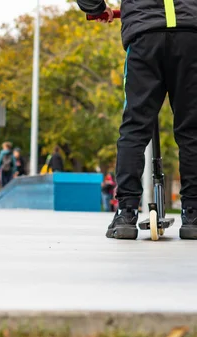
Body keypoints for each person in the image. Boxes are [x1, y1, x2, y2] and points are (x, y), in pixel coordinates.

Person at [78, 0, 197, 240]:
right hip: (189, 35)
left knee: (134, 127)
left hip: (145, 35)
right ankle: (193, 214)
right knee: (192, 130)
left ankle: (126, 212)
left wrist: (97, 9)